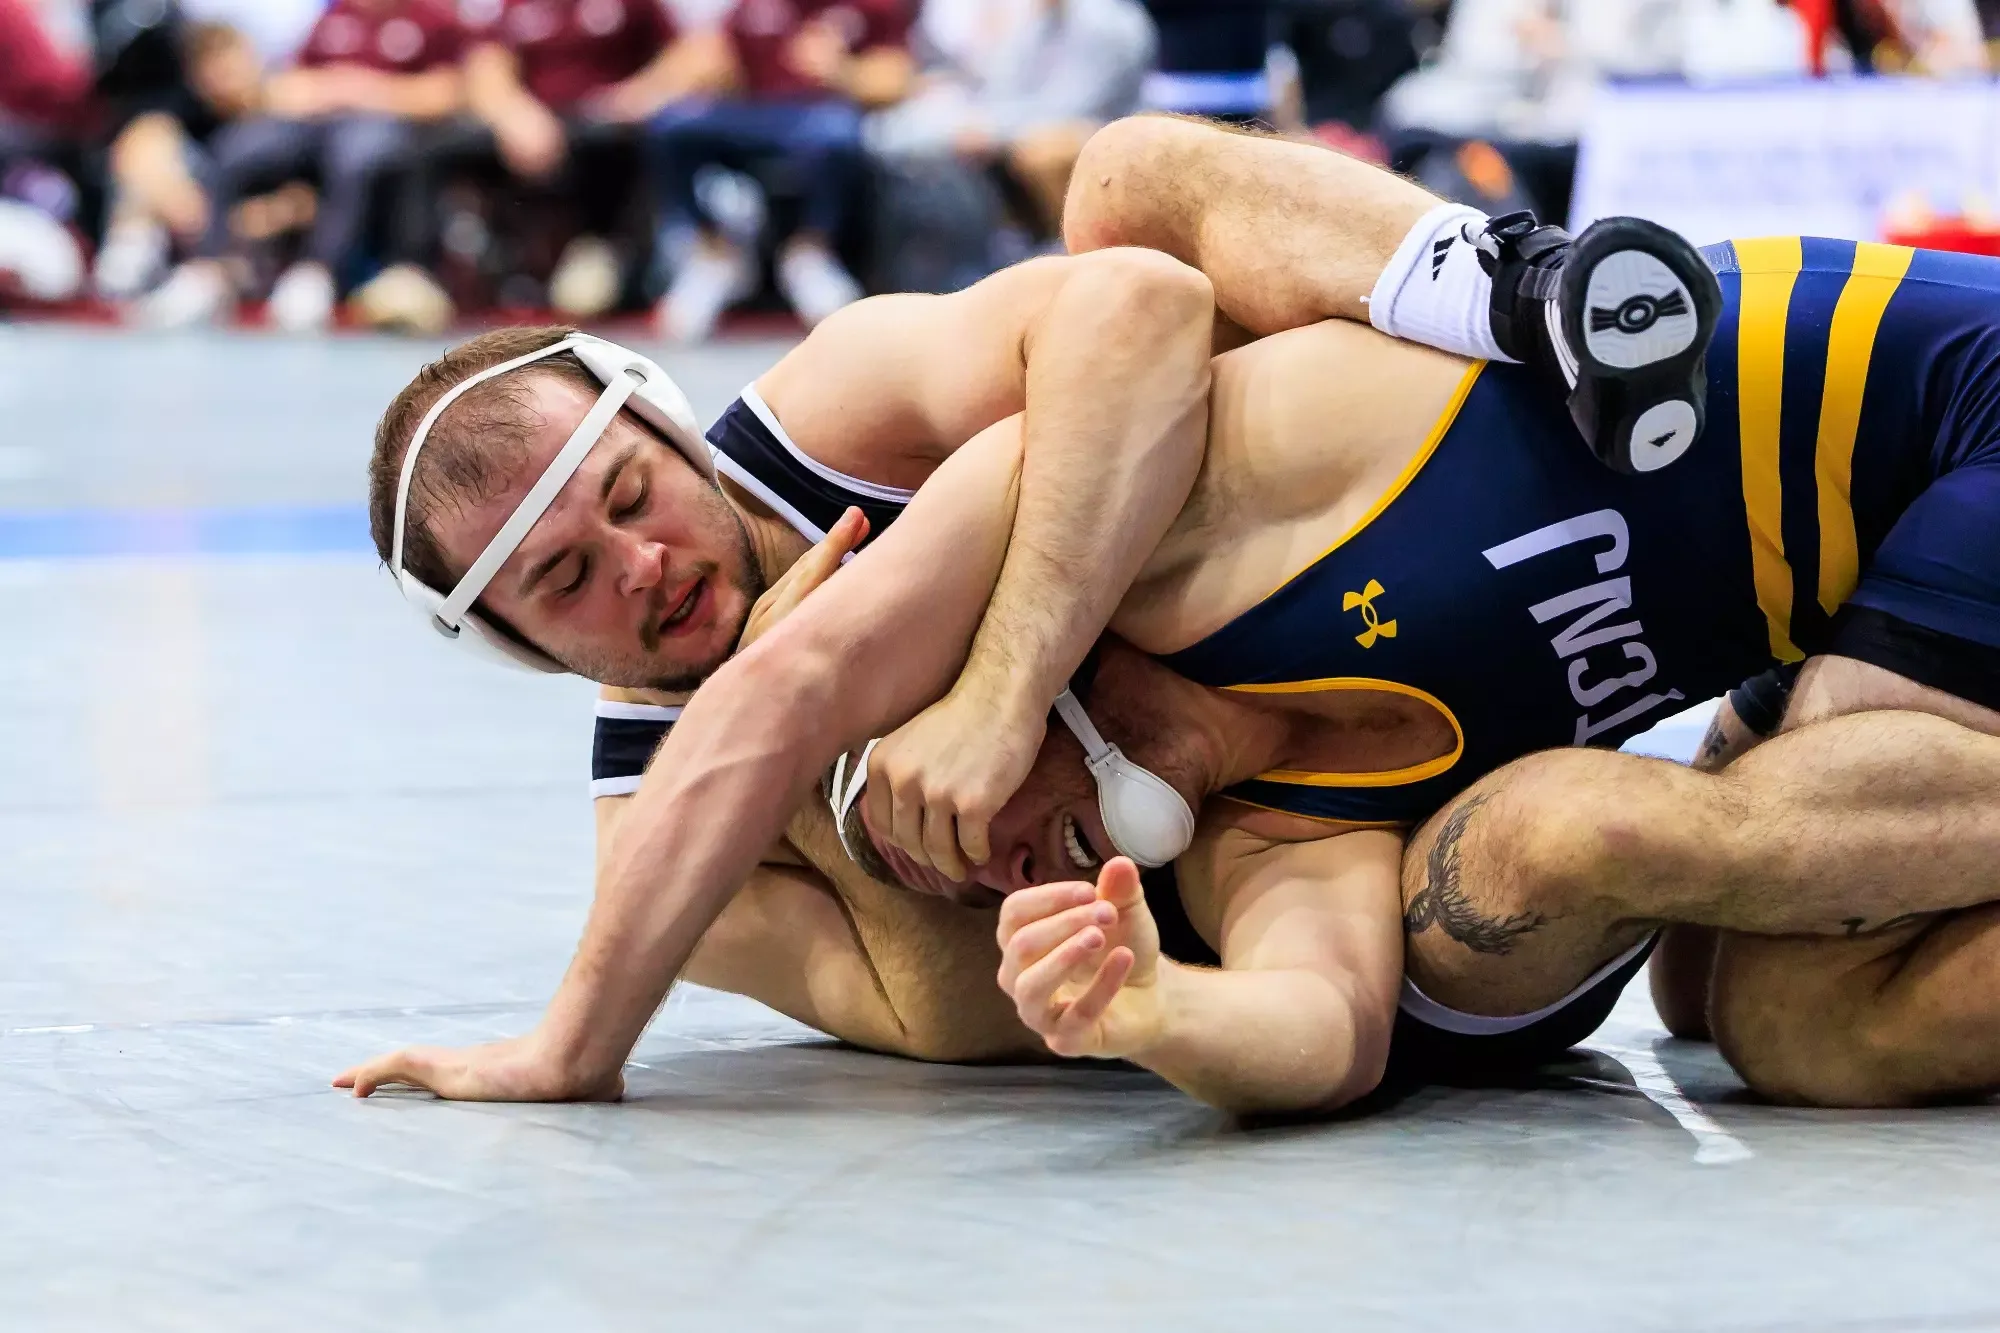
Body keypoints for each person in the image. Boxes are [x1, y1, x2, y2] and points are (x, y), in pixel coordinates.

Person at [339, 118, 2000, 1109]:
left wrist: (988, 696)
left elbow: (1133, 306)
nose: (639, 569)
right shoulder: (1278, 829)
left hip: (1933, 408)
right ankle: (1771, 700)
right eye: (567, 581)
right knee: (1751, 1010)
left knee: (1125, 182)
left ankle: (1520, 287)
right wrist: (1144, 1002)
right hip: (1855, 565)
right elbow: (1247, 1017)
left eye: (628, 503)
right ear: (519, 650)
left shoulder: (1044, 505)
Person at [355, 0, 734, 333]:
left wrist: (641, 93)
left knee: (622, 143)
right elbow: (486, 67)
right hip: (532, 120)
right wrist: (514, 115)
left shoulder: (635, 5)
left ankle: (601, 255)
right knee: (430, 148)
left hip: (604, 121)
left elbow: (694, 55)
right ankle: (415, 273)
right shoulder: (514, 6)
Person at [140, 0, 468, 332]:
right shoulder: (335, 17)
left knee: (355, 157)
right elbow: (292, 81)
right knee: (237, 149)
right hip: (312, 122)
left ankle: (316, 273)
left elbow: (448, 95)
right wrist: (305, 91)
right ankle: (206, 272)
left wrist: (361, 89)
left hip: (386, 123)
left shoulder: (433, 18)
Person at [650, 0, 918, 340]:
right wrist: (707, 70)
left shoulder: (870, 8)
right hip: (752, 113)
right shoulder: (750, 7)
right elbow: (707, 60)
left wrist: (841, 70)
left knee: (837, 133)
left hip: (820, 113)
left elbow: (895, 82)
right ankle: (713, 252)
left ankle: (810, 254)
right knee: (673, 125)